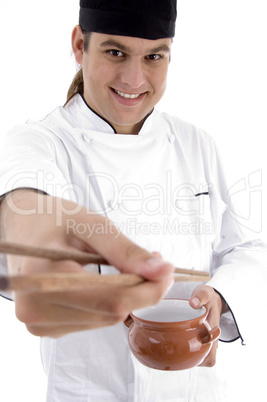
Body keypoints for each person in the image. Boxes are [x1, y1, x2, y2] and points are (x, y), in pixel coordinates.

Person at [0, 0, 266, 400]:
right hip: (89, 391)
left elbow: (248, 245)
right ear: (79, 45)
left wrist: (221, 297)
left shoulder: (197, 143)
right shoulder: (41, 141)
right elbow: (25, 200)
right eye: (115, 52)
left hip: (196, 390)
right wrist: (33, 247)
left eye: (154, 56)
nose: (133, 78)